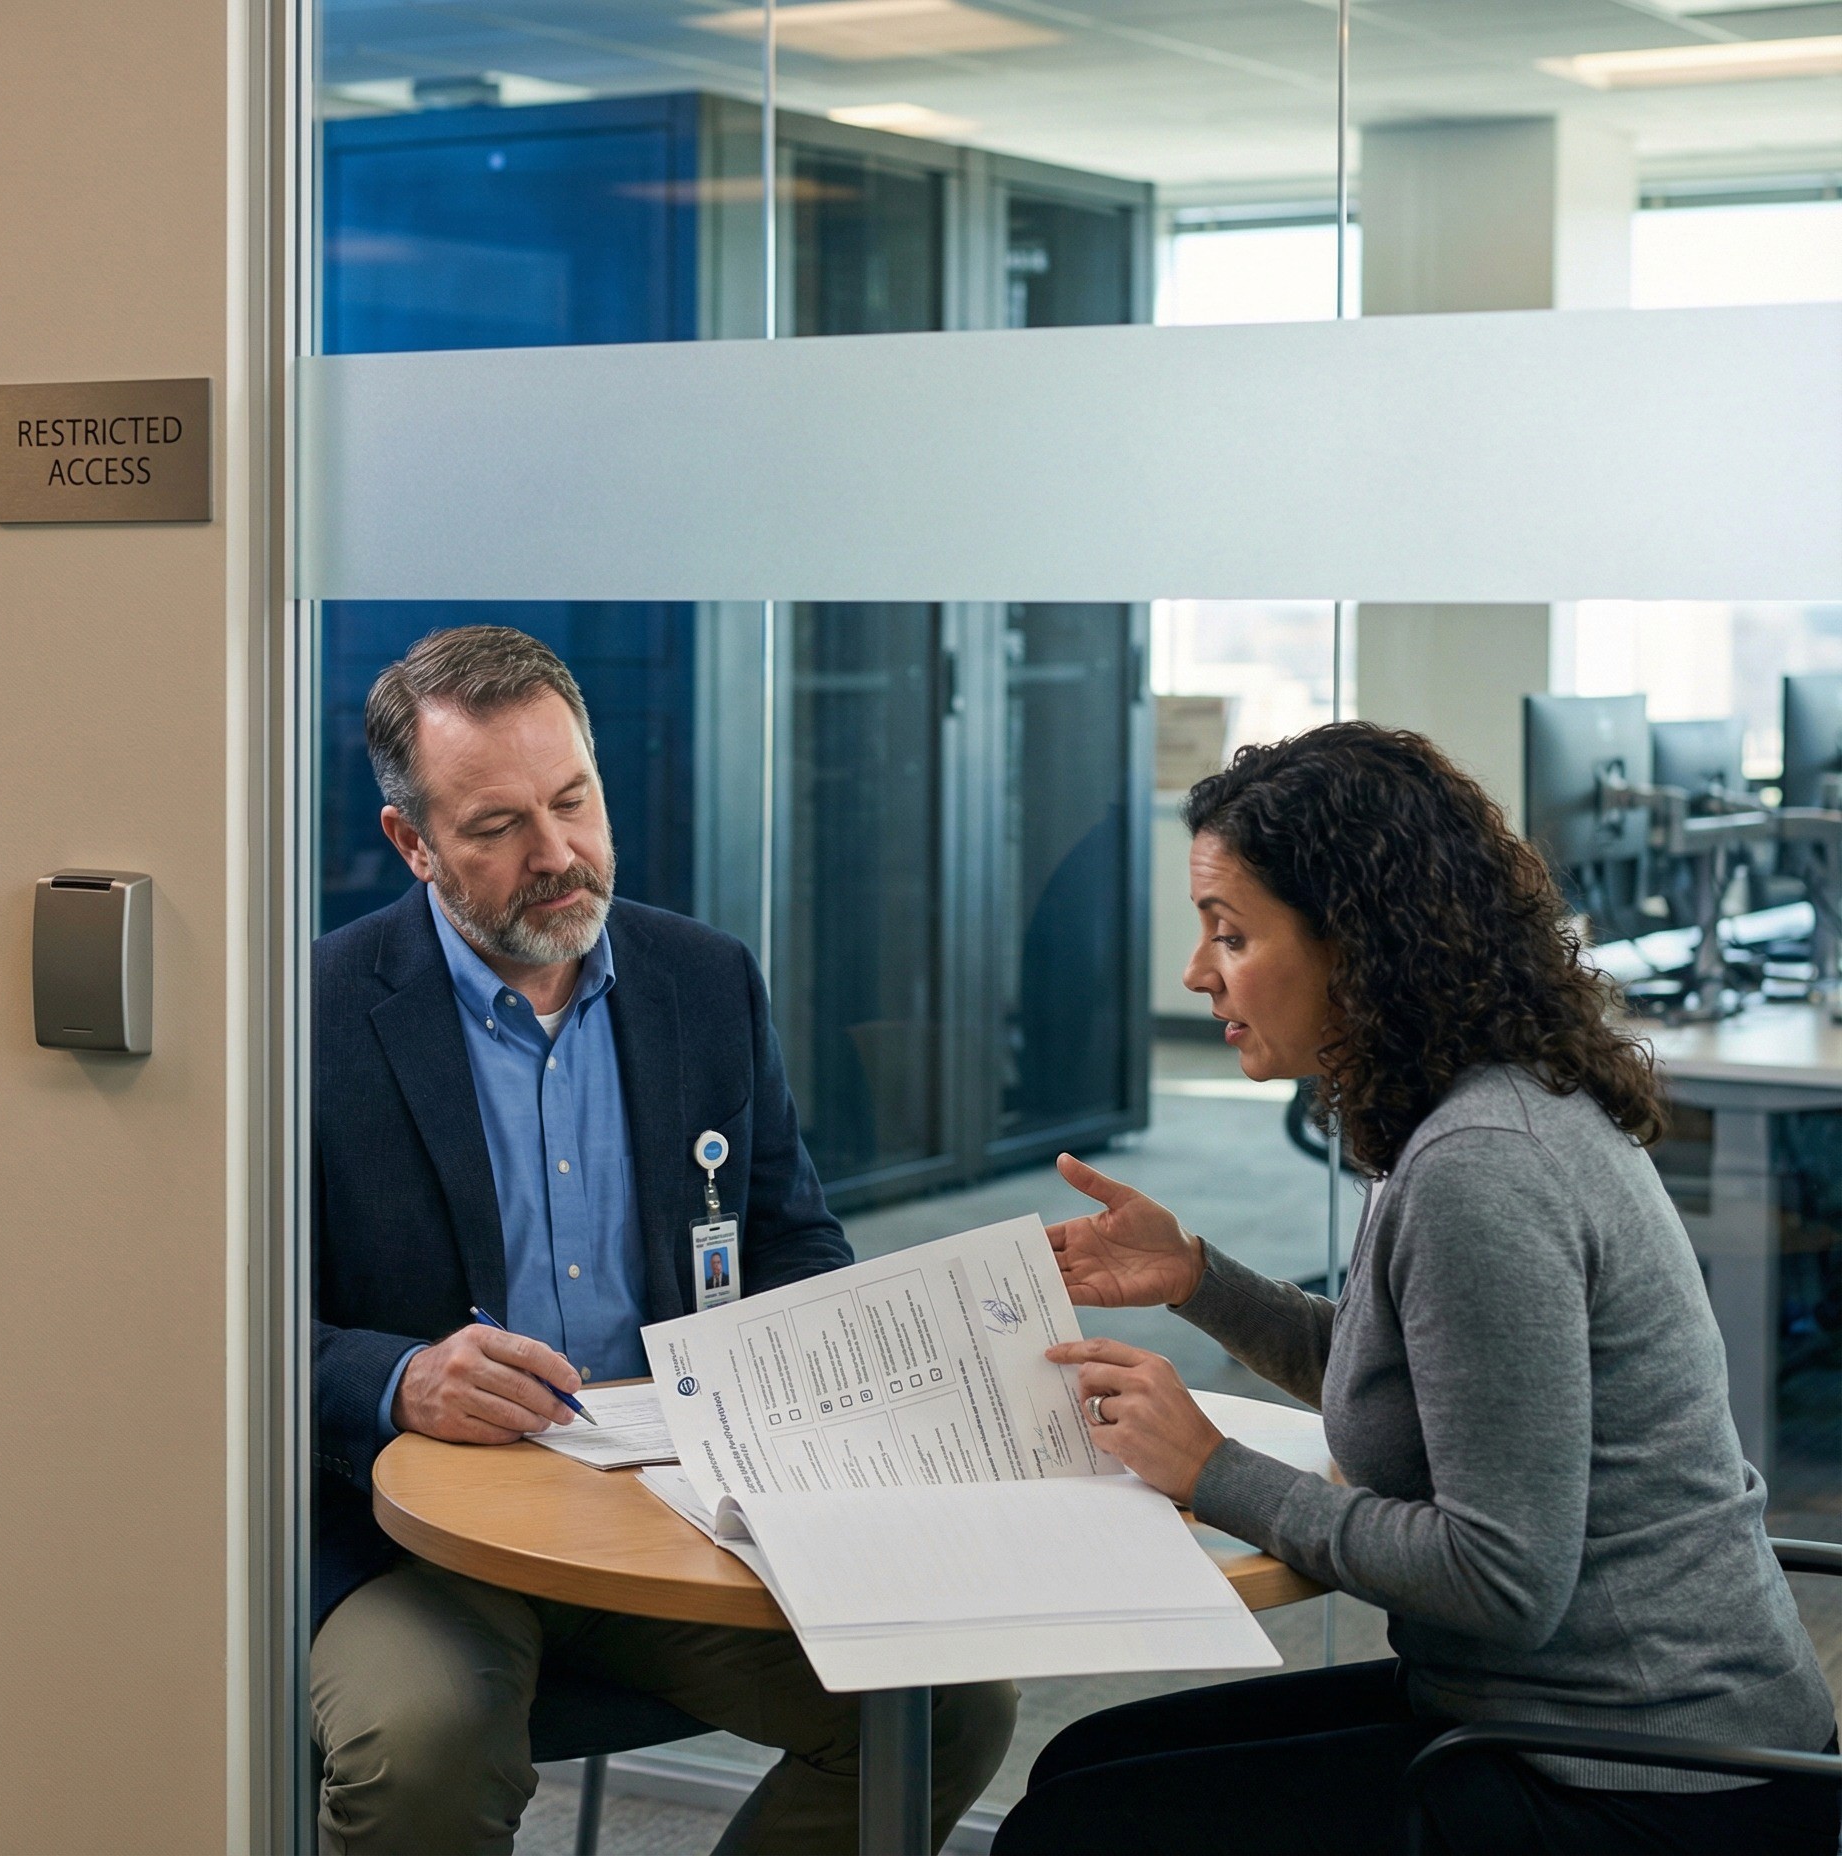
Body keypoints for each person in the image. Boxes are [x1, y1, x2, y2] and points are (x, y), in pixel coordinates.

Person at [995, 723, 1840, 1856]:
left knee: (1073, 1826)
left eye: (1232, 935)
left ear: (1355, 942)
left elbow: (1499, 1578)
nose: (1199, 973)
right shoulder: (1479, 1108)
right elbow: (1430, 1382)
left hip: (1650, 1778)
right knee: (1078, 1763)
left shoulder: (1482, 1166)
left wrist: (1212, 1470)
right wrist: (1197, 1278)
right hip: (1552, 1717)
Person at [310, 626, 1014, 1855]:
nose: (558, 855)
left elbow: (792, 1236)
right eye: (495, 827)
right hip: (406, 1525)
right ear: (412, 843)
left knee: (948, 1700)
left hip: (671, 1499)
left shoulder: (704, 979)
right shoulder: (310, 1012)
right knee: (422, 1745)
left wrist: (821, 1356)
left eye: (573, 800)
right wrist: (398, 1374)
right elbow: (211, 1317)